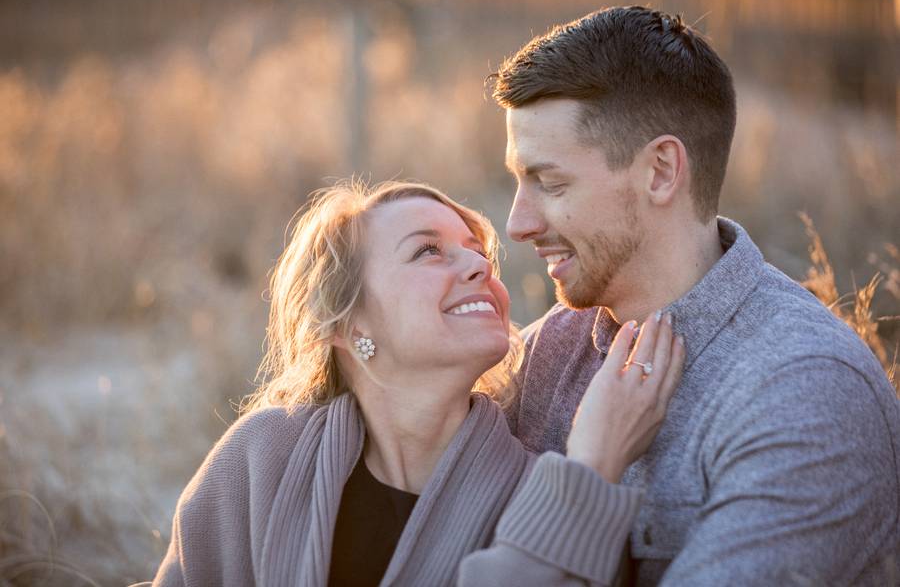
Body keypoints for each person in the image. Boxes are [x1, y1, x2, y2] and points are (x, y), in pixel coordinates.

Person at [478, 5, 900, 585]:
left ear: (660, 171)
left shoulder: (807, 391)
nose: (517, 223)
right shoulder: (550, 349)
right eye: (517, 180)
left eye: (550, 183)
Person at [151, 180, 685, 587]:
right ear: (348, 322)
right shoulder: (263, 456)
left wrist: (589, 476)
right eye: (428, 250)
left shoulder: (545, 493)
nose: (479, 267)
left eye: (480, 253)